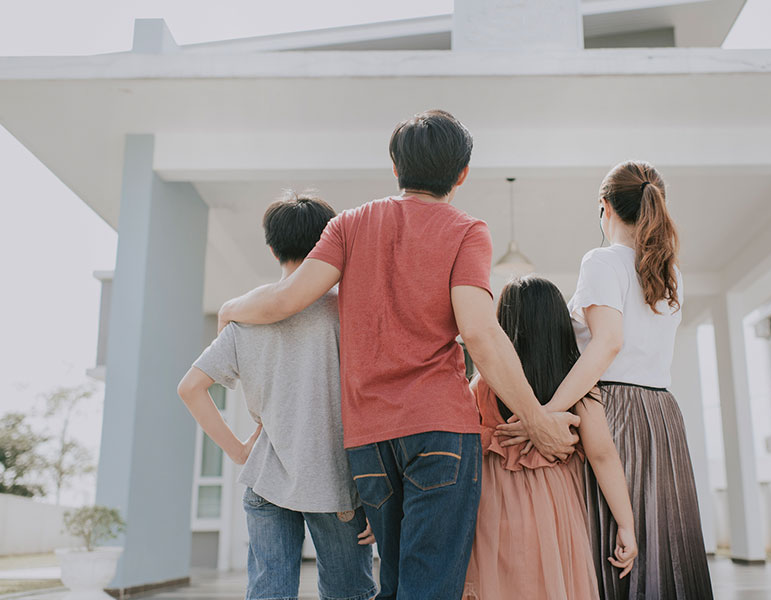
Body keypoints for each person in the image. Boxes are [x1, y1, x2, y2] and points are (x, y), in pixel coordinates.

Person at [215, 109, 579, 600]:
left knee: (392, 583)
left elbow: (286, 300)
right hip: (439, 430)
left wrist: (232, 307)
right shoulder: (467, 230)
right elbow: (480, 331)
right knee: (429, 585)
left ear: (394, 167)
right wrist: (536, 419)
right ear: (462, 174)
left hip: (368, 439)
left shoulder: (348, 225)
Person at [498, 160, 714, 599]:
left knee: (612, 546)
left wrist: (545, 414)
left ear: (605, 206)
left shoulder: (601, 261)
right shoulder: (672, 274)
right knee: (663, 538)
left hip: (613, 411)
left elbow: (607, 344)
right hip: (663, 416)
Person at [177, 192, 377, 600]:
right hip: (337, 482)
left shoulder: (245, 320)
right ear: (329, 243)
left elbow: (190, 388)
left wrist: (236, 451)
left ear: (272, 249)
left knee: (268, 593)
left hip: (267, 477)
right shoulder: (349, 312)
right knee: (349, 594)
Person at [463, 276, 637, 600]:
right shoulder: (578, 387)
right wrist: (625, 524)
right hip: (558, 515)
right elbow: (603, 456)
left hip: (492, 511)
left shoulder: (483, 385)